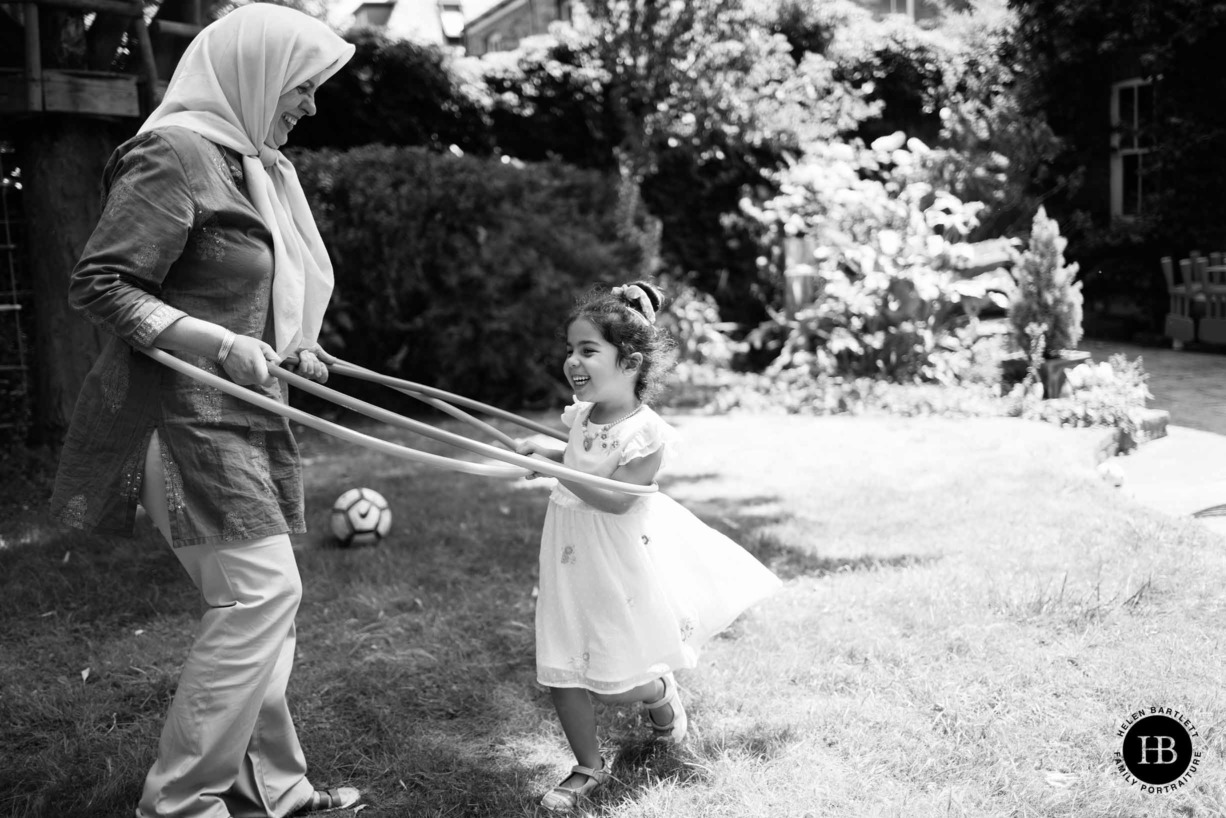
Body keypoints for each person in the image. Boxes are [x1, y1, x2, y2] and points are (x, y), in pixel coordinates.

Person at [49, 5, 360, 816]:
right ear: (254, 74)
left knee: (266, 610)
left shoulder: (250, 163)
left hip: (244, 415)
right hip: (179, 418)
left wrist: (287, 345)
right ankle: (181, 804)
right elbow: (103, 284)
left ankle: (275, 788)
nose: (310, 106)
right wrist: (220, 346)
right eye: (302, 87)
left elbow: (243, 293)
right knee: (259, 598)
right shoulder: (173, 152)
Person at [514, 281, 782, 813]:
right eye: (570, 350)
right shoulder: (582, 416)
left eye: (588, 350)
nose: (573, 361)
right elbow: (577, 458)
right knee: (560, 660)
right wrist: (549, 448)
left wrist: (554, 467)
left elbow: (614, 500)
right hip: (569, 553)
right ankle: (587, 767)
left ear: (631, 361)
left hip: (617, 559)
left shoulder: (646, 433)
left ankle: (658, 693)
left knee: (616, 679)